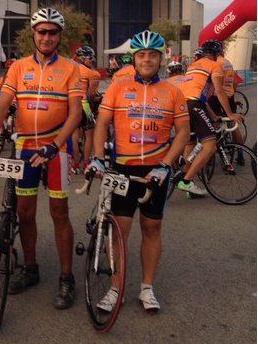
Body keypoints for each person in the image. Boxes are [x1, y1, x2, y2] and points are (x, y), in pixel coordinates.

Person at [0, 7, 84, 310]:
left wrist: (55, 145)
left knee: (59, 213)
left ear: (59, 36)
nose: (47, 37)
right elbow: (2, 107)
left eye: (53, 32)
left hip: (56, 150)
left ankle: (67, 277)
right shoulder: (18, 67)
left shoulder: (70, 68)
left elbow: (76, 112)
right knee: (24, 213)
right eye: (42, 31)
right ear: (34, 34)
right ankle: (31, 267)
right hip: (25, 149)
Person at [89, 30, 190, 313]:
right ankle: (115, 288)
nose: (147, 59)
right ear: (134, 58)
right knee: (120, 230)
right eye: (142, 55)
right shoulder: (118, 87)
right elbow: (102, 124)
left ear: (161, 58)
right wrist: (98, 157)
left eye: (152, 55)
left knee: (152, 227)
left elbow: (183, 132)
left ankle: (147, 288)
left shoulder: (172, 91)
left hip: (156, 170)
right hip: (123, 168)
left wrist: (165, 164)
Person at [174, 39, 244, 197]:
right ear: (217, 54)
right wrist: (230, 114)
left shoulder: (193, 66)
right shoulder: (215, 65)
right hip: (194, 105)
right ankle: (187, 181)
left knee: (191, 144)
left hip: (183, 106)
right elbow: (219, 91)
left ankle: (187, 185)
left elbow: (200, 97)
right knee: (210, 146)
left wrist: (215, 117)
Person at [206, 45, 245, 162]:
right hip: (230, 96)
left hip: (217, 97)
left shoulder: (215, 64)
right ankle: (240, 154)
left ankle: (210, 156)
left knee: (214, 123)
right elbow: (235, 83)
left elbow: (213, 84)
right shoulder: (228, 62)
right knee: (232, 125)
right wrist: (231, 93)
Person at [70, 46, 101, 175]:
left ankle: (75, 165)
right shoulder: (94, 74)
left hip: (74, 104)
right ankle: (86, 164)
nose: (92, 60)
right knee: (89, 135)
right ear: (83, 58)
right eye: (90, 58)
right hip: (86, 105)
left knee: (75, 134)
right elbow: (93, 95)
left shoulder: (71, 70)